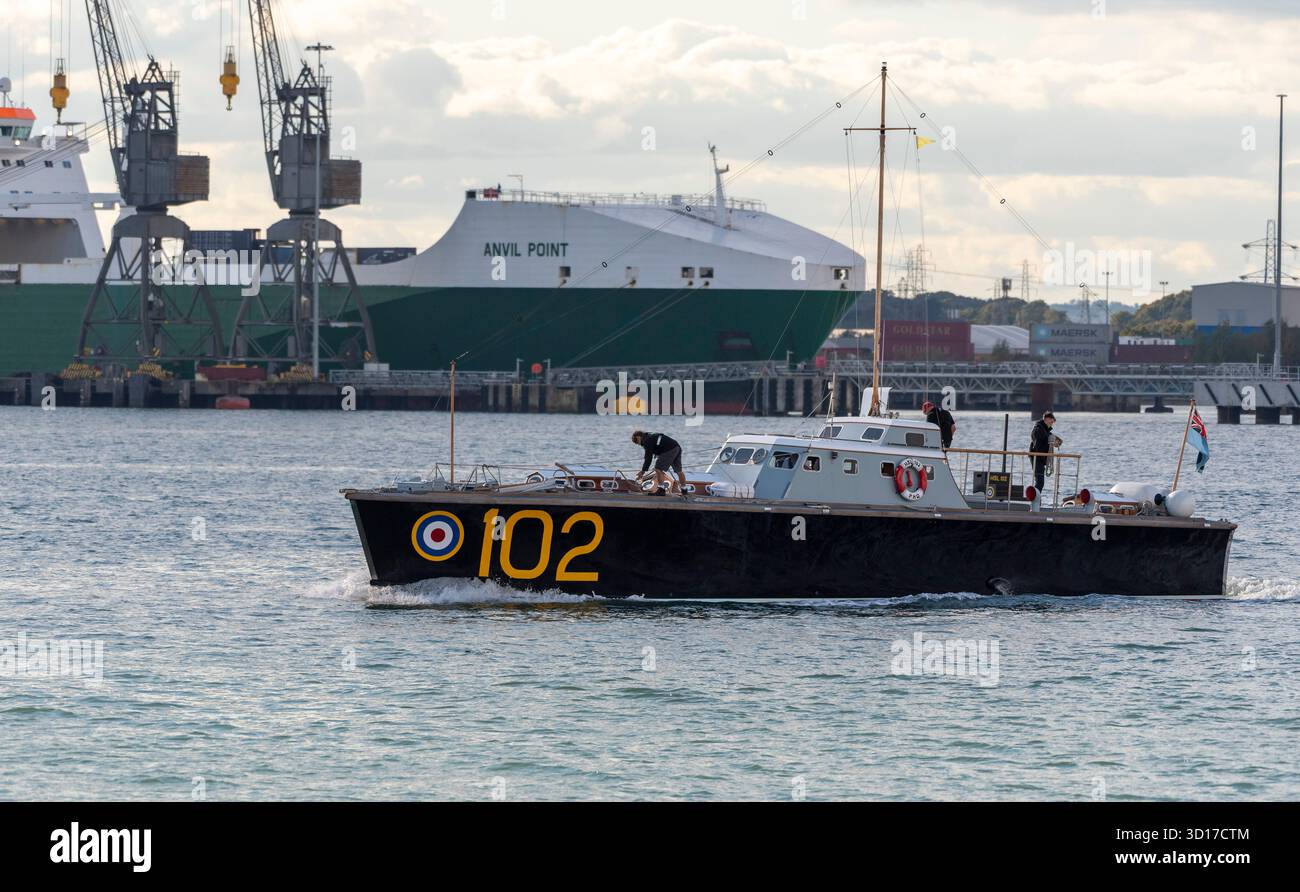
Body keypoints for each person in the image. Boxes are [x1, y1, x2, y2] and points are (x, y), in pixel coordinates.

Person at [632, 430, 685, 496]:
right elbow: (660, 444)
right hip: (676, 447)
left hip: (669, 449)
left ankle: (661, 490)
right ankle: (684, 490)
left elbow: (648, 458)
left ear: (638, 437)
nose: (638, 444)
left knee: (658, 468)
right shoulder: (650, 436)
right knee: (679, 471)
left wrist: (642, 472)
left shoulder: (646, 440)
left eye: (636, 441)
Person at [1029, 411, 1062, 496]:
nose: (1052, 424)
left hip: (1041, 459)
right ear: (1046, 419)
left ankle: (1036, 501)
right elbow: (1038, 446)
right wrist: (1050, 443)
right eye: (1051, 422)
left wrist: (1055, 442)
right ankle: (1035, 501)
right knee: (1040, 481)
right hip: (1037, 457)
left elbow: (1050, 438)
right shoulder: (1038, 429)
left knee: (1040, 482)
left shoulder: (1045, 431)